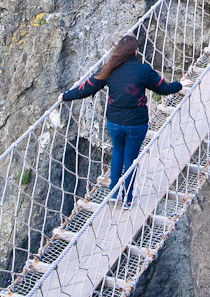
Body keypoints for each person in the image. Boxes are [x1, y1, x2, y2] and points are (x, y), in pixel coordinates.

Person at [60, 35, 190, 208]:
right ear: (135, 52)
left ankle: (113, 195)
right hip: (136, 124)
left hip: (114, 122)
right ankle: (128, 199)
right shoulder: (144, 70)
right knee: (130, 159)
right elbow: (164, 89)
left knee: (118, 152)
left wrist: (65, 96)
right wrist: (180, 84)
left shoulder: (109, 69)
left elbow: (87, 88)